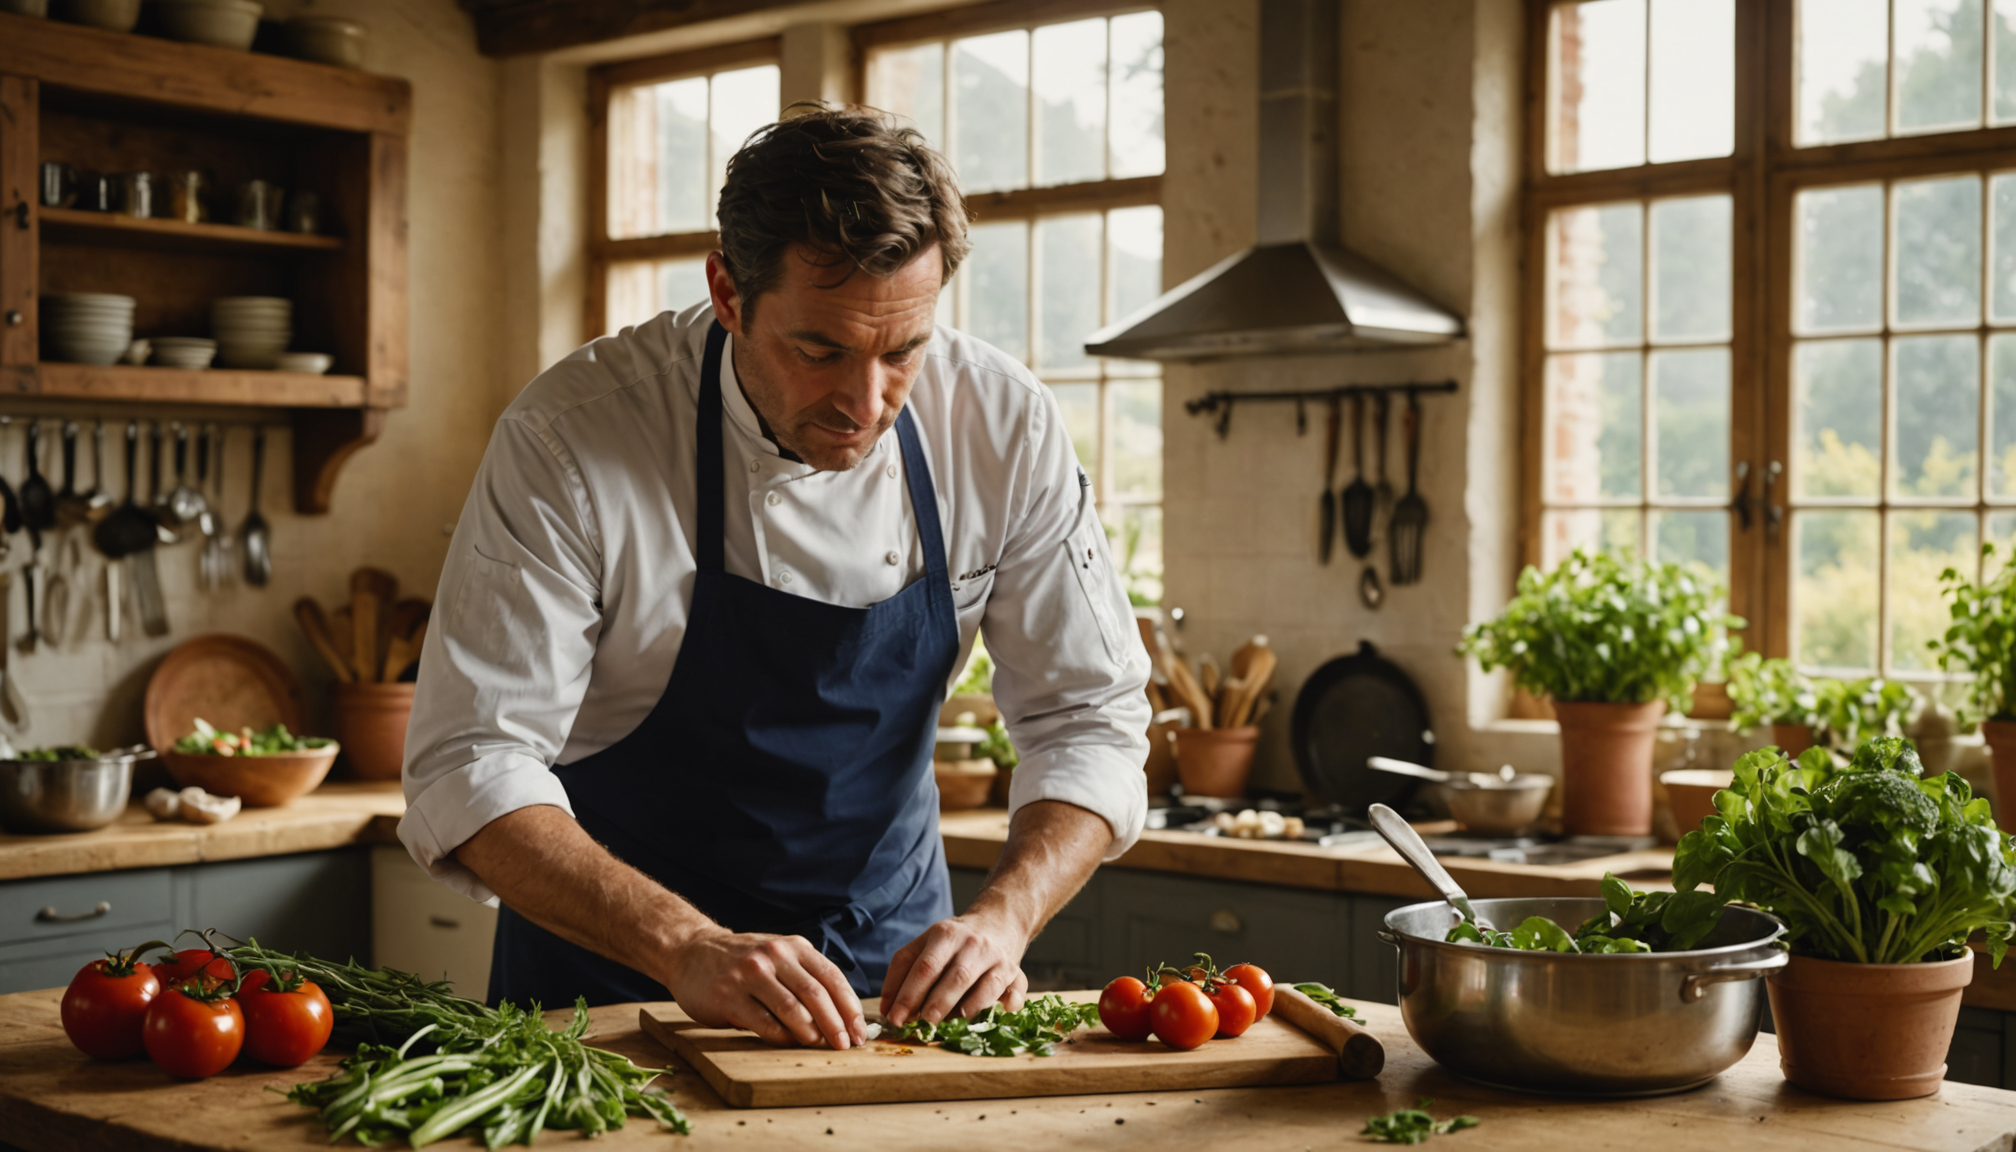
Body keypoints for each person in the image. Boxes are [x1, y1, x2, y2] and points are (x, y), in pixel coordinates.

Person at [398, 105, 1151, 1051]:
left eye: (903, 350)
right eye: (819, 350)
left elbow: (1091, 716)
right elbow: (470, 764)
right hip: (615, 992)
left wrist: (1002, 920)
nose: (864, 403)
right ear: (727, 290)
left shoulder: (1002, 425)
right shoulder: (574, 437)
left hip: (894, 986)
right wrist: (687, 947)